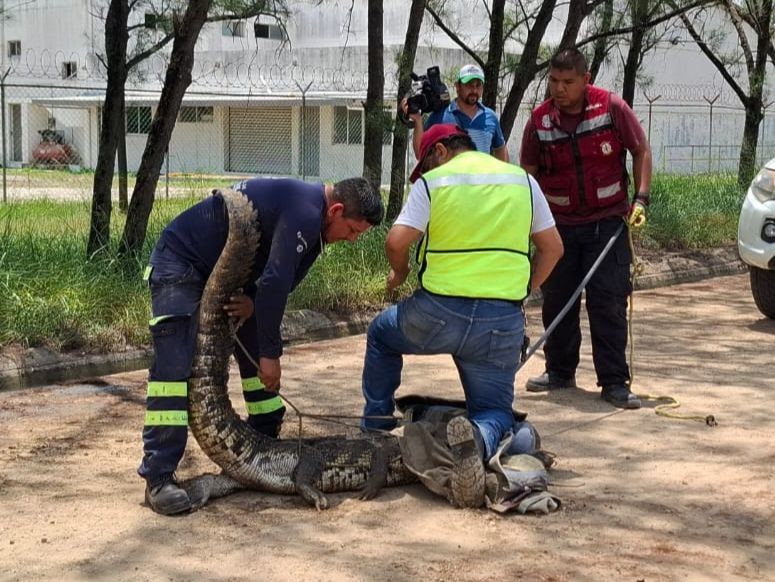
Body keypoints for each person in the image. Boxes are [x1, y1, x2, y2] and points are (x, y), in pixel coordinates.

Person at [139, 177, 384, 515]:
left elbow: (274, 284)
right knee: (174, 366)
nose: (352, 240)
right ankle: (158, 477)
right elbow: (275, 281)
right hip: (182, 264)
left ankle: (264, 440)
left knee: (256, 345)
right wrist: (271, 355)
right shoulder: (305, 211)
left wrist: (253, 306)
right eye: (353, 230)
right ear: (337, 210)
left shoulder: (316, 226)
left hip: (231, 278)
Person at [361, 123, 563, 502]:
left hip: (437, 312)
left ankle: (374, 430)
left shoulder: (434, 183)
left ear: (439, 151)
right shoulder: (522, 182)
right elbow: (553, 249)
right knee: (492, 410)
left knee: (381, 335)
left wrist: (399, 273)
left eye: (426, 162)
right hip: (499, 321)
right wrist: (522, 292)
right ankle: (478, 444)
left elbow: (395, 241)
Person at [519, 48, 653, 409]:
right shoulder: (539, 122)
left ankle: (613, 382)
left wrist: (641, 199)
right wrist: (527, 221)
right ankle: (560, 372)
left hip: (607, 223)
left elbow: (640, 150)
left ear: (585, 79)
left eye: (568, 82)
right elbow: (527, 174)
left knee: (606, 301)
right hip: (558, 228)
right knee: (558, 299)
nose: (559, 89)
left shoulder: (611, 108)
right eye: (553, 81)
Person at [403, 64, 509, 162]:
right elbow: (420, 153)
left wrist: (500, 177)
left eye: (478, 85)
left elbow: (500, 149)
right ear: (457, 86)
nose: (474, 90)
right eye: (469, 85)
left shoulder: (491, 117)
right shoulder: (440, 116)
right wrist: (417, 120)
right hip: (451, 182)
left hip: (482, 182)